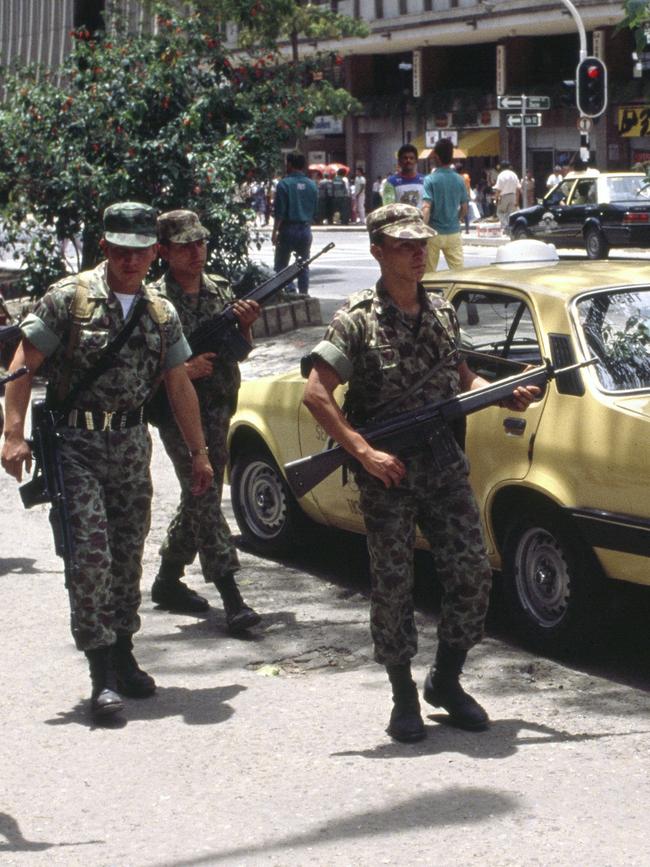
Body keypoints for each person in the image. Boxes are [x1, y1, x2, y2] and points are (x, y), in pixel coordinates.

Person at [301, 203, 539, 743]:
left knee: (473, 573)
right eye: (405, 245)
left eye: (423, 243)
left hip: (444, 467)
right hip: (387, 474)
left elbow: (462, 381)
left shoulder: (441, 312)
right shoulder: (356, 318)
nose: (418, 253)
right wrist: (364, 453)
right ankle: (403, 697)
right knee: (393, 586)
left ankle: (446, 682)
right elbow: (317, 394)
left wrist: (506, 397)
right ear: (378, 251)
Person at [0, 202, 213, 722]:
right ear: (104, 247)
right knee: (89, 556)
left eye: (140, 251)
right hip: (75, 447)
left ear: (153, 252)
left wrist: (199, 452)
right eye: (120, 250)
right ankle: (101, 673)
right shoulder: (68, 300)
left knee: (126, 555)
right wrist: (12, 434)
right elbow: (23, 363)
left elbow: (178, 381)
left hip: (130, 446)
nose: (130, 260)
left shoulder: (160, 311)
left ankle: (123, 650)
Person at [149, 210, 262, 634]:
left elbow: (240, 352)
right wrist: (182, 370)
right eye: (184, 246)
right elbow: (138, 368)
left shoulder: (221, 291)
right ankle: (232, 597)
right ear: (163, 252)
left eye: (200, 243)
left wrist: (246, 328)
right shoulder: (154, 302)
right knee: (203, 492)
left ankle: (166, 580)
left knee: (201, 496)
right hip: (177, 413)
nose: (196, 252)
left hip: (220, 407)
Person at [272, 153, 318, 295]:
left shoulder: (284, 184)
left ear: (290, 164)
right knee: (303, 264)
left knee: (281, 265)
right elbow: (315, 208)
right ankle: (304, 294)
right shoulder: (312, 185)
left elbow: (280, 212)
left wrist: (274, 232)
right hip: (305, 229)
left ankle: (291, 291)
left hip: (288, 228)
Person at [421, 137, 468, 274]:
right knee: (459, 273)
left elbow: (426, 208)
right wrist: (457, 219)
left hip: (433, 233)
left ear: (436, 156)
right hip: (453, 232)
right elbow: (464, 207)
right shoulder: (459, 179)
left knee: (428, 274)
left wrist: (423, 231)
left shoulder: (430, 179)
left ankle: (428, 295)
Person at [382, 144, 425, 209]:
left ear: (416, 161)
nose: (408, 160)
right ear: (399, 161)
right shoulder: (390, 183)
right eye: (405, 158)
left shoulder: (425, 181)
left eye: (411, 158)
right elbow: (387, 209)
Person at [493, 160, 521, 229]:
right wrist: (517, 200)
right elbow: (518, 188)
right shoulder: (514, 174)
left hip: (504, 196)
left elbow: (498, 189)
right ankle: (510, 227)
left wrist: (496, 199)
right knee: (510, 214)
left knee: (500, 212)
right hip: (513, 196)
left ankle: (505, 226)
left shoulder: (501, 175)